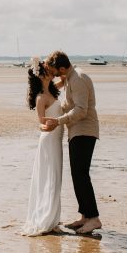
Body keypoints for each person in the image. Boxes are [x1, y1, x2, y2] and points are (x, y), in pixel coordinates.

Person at [42, 51, 102, 235]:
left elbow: (81, 110)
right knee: (77, 175)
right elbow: (53, 85)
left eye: (56, 72)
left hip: (85, 131)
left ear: (62, 68)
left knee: (81, 175)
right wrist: (45, 79)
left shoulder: (79, 78)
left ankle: (94, 218)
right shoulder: (70, 77)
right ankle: (85, 216)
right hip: (76, 131)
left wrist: (58, 121)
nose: (55, 76)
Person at [21, 59, 63, 236]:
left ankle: (52, 218)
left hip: (57, 140)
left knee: (56, 177)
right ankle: (47, 218)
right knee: (49, 178)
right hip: (48, 140)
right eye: (46, 71)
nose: (49, 72)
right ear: (40, 76)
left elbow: (65, 77)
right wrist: (47, 126)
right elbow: (40, 123)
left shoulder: (54, 89)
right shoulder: (41, 98)